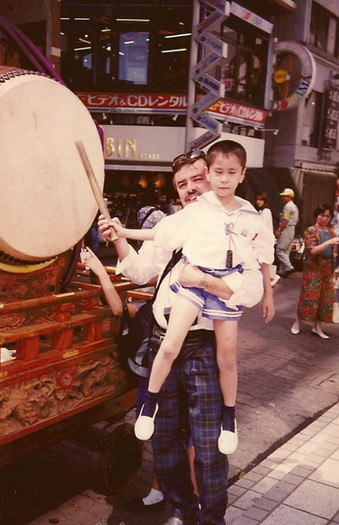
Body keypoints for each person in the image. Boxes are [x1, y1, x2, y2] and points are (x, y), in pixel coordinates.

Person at [99, 147, 275, 525]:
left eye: (198, 178)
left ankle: (212, 519)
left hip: (203, 347)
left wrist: (208, 280)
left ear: (211, 177)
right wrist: (116, 235)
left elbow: (247, 287)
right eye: (183, 184)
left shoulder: (233, 229)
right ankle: (180, 510)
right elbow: (141, 271)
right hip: (164, 342)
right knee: (164, 442)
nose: (192, 188)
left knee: (208, 446)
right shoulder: (173, 228)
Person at [290, 204, 339, 339]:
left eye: (327, 216)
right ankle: (298, 322)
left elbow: (334, 254)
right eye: (322, 215)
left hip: (327, 270)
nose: (324, 218)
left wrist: (334, 271)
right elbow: (313, 250)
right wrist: (329, 243)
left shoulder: (331, 233)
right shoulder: (311, 231)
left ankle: (317, 327)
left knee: (325, 299)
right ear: (317, 215)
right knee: (308, 297)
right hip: (313, 270)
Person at [275, 188, 299, 277]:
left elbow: (285, 220)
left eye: (284, 196)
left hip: (287, 229)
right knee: (286, 251)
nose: (283, 198)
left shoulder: (287, 207)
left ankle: (289, 267)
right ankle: (282, 271)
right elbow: (297, 221)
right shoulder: (294, 207)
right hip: (292, 229)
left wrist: (279, 230)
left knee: (279, 250)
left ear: (289, 197)